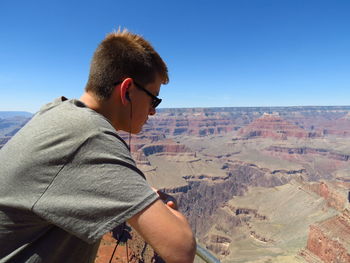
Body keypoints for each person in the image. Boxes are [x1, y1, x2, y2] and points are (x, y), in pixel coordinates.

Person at [0, 29, 196, 263]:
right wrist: (171, 214)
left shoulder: (57, 111)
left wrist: (135, 196)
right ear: (127, 91)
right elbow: (181, 250)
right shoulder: (89, 138)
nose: (154, 111)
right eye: (154, 98)